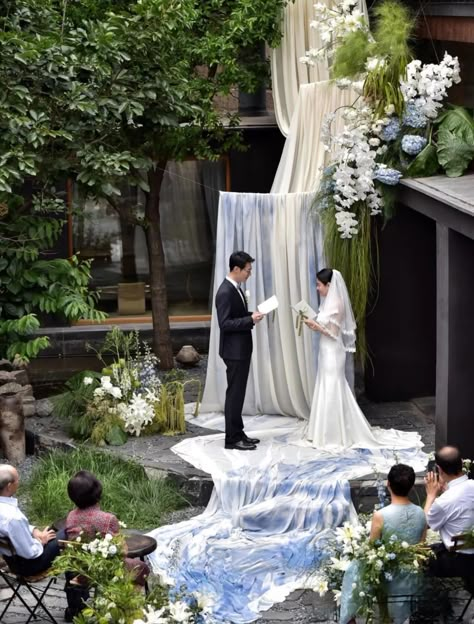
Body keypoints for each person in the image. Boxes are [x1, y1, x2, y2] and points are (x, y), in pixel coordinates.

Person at [303, 268, 420, 449]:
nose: (317, 288)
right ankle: (323, 431)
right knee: (326, 386)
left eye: (319, 285)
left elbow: (334, 334)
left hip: (333, 352)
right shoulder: (327, 302)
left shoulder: (337, 304)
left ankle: (335, 434)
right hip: (325, 351)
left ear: (329, 285)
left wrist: (316, 326)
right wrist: (316, 324)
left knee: (333, 387)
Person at [340, 463, 427, 624]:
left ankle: (349, 617)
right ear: (411, 485)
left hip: (388, 576)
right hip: (412, 575)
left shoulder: (380, 515)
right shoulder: (421, 513)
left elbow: (372, 548)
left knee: (352, 569)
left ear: (388, 484)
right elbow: (421, 549)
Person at [64, 471, 149, 620]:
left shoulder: (71, 516)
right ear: (98, 493)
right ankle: (124, 610)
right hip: (102, 570)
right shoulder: (107, 519)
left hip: (78, 567)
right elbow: (122, 552)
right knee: (141, 567)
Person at [215, 250, 264, 450]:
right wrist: (249, 320)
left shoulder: (236, 288)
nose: (249, 274)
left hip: (241, 349)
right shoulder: (225, 291)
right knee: (234, 394)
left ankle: (238, 431)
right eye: (247, 270)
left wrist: (252, 315)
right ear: (236, 269)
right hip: (234, 351)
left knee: (238, 393)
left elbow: (238, 315)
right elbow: (225, 323)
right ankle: (232, 439)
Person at [0, 464, 61, 576]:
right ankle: (74, 586)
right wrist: (42, 541)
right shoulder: (13, 517)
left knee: (53, 531)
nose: (18, 482)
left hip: (11, 558)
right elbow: (30, 553)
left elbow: (11, 528)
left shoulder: (5, 509)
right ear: (9, 486)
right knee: (64, 534)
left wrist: (34, 531)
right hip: (28, 565)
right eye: (17, 480)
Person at [424, 445, 474, 577]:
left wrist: (431, 495)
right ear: (462, 462)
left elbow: (424, 523)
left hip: (458, 561)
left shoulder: (443, 502)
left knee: (422, 555)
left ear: (439, 469)